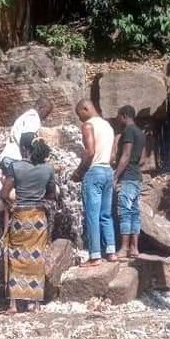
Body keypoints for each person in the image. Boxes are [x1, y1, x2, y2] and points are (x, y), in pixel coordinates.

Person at [0, 133, 56, 313]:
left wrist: (13, 205)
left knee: (16, 256)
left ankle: (14, 304)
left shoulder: (14, 167)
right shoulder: (48, 169)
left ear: (23, 149)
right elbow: (52, 195)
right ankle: (35, 303)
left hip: (20, 218)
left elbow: (3, 194)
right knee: (36, 258)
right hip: (38, 219)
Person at [71, 99, 117, 265]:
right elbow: (112, 157)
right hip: (108, 171)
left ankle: (95, 255)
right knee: (106, 214)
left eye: (79, 115)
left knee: (92, 214)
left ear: (85, 108)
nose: (80, 119)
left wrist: (78, 172)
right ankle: (111, 252)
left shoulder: (88, 126)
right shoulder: (108, 127)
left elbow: (90, 152)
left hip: (94, 172)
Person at [113, 105, 145, 258]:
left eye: (119, 116)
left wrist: (115, 176)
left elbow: (125, 155)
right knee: (135, 212)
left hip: (127, 177)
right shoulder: (141, 133)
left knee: (125, 212)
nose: (117, 119)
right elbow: (143, 159)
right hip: (137, 177)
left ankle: (124, 248)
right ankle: (134, 248)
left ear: (124, 115)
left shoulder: (129, 131)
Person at [0, 97, 53, 176]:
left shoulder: (26, 116)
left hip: (9, 158)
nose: (46, 116)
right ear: (40, 107)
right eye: (47, 112)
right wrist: (32, 161)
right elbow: (27, 138)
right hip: (15, 159)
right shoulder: (33, 117)